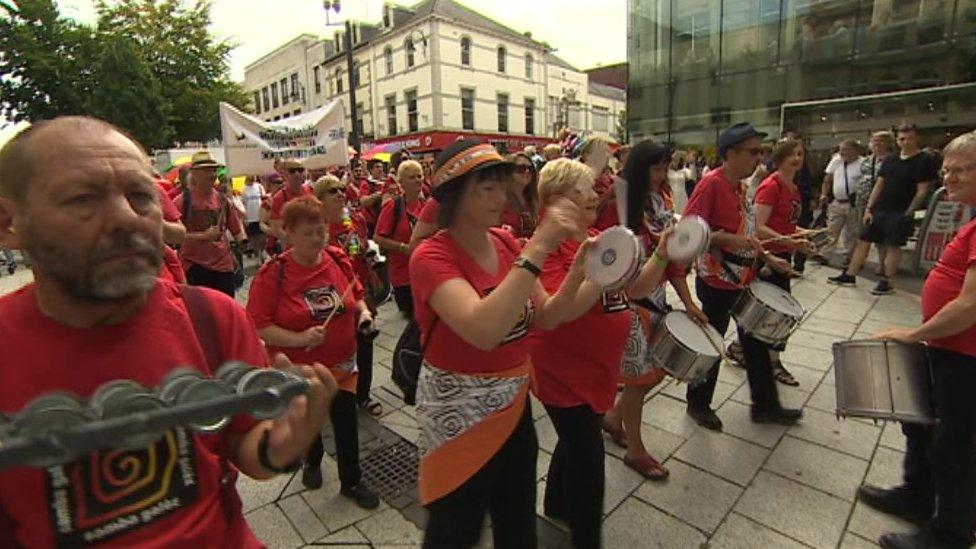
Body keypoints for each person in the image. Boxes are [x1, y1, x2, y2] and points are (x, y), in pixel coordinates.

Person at [0, 116, 338, 547]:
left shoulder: (214, 319)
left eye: (141, 195)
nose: (126, 218)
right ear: (9, 224)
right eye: (83, 198)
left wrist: (286, 442)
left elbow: (245, 447)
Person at [409, 139, 597, 548]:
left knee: (518, 526)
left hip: (513, 406)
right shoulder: (431, 255)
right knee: (455, 529)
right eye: (486, 187)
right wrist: (541, 244)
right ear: (455, 195)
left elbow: (548, 314)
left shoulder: (507, 243)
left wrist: (588, 273)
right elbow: (483, 330)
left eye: (502, 184)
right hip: (458, 414)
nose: (502, 196)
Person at [529, 158, 676, 548]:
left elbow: (637, 287)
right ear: (558, 199)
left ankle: (556, 503)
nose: (597, 193)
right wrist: (600, 272)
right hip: (563, 377)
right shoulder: (544, 249)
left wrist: (662, 252)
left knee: (576, 441)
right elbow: (561, 312)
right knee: (590, 468)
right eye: (586, 189)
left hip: (598, 373)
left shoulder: (597, 234)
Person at [864, 130, 976, 549]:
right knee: (921, 423)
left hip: (966, 355)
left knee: (954, 444)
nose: (948, 177)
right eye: (945, 169)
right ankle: (916, 495)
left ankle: (950, 532)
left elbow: (970, 305)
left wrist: (915, 333)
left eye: (960, 169)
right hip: (948, 347)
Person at [246, 195, 379, 509]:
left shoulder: (335, 257)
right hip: (300, 370)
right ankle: (312, 459)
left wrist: (363, 314)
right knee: (309, 422)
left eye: (320, 230)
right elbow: (257, 324)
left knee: (347, 425)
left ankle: (352, 481)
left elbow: (354, 294)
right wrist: (299, 337)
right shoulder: (273, 274)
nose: (317, 238)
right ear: (288, 233)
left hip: (343, 362)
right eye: (308, 233)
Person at [599, 140, 709, 477]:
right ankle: (635, 449)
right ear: (640, 167)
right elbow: (607, 262)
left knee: (652, 373)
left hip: (655, 297)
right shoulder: (616, 203)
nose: (663, 174)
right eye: (657, 167)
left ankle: (615, 419)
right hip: (623, 301)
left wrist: (688, 301)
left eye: (666, 167)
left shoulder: (661, 200)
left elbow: (671, 258)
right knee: (639, 378)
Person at [682, 122, 802, 430]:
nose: (758, 158)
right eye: (752, 152)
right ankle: (698, 403)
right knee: (713, 340)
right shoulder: (710, 184)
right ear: (730, 153)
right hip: (717, 279)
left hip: (743, 277)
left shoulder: (740, 187)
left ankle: (765, 405)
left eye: (760, 152)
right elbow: (688, 231)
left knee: (756, 340)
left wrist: (769, 256)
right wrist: (725, 240)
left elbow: (748, 233)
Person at [829, 124, 938, 295]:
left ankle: (887, 281)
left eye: (909, 138)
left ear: (917, 138)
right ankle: (850, 274)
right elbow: (879, 185)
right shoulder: (891, 159)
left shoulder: (924, 160)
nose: (906, 142)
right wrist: (869, 208)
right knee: (863, 240)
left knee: (893, 246)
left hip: (901, 210)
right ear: (897, 140)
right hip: (880, 208)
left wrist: (909, 212)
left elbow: (922, 190)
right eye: (902, 138)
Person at [312, 176, 383, 418]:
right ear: (319, 199)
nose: (341, 193)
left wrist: (370, 257)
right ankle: (335, 396)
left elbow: (362, 250)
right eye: (333, 191)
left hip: (360, 292)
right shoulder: (315, 227)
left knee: (365, 342)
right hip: (331, 299)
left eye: (342, 189)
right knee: (336, 349)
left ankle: (362, 395)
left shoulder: (356, 220)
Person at [753, 138, 817, 387]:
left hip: (782, 253)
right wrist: (793, 242)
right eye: (792, 154)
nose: (797, 158)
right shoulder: (771, 186)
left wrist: (803, 234)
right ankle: (773, 361)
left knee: (772, 310)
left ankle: (744, 348)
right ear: (780, 157)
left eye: (800, 153)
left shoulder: (792, 187)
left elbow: (786, 225)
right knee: (780, 310)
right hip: (768, 257)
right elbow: (759, 227)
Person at [174, 151, 245, 297]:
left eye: (214, 170)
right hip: (196, 267)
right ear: (194, 173)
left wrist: (244, 242)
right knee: (203, 313)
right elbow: (173, 237)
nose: (212, 174)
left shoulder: (223, 200)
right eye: (207, 170)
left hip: (223, 267)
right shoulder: (182, 201)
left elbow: (236, 229)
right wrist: (203, 236)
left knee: (225, 311)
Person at [374, 159, 426, 318]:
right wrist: (404, 247)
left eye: (419, 176)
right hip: (403, 276)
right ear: (401, 182)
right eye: (412, 177)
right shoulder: (393, 206)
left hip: (425, 271)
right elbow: (377, 237)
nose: (417, 180)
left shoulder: (427, 205)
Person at [857, 131, 899, 274]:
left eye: (880, 141)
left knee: (880, 237)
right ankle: (859, 261)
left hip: (882, 202)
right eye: (874, 141)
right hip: (863, 200)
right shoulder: (867, 160)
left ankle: (883, 264)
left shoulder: (893, 160)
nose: (876, 144)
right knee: (863, 234)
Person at [819, 139, 864, 265]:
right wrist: (823, 194)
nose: (842, 152)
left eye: (845, 149)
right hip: (837, 201)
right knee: (832, 229)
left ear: (854, 150)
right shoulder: (837, 160)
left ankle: (850, 257)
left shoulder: (863, 163)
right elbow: (827, 179)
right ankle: (825, 254)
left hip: (854, 203)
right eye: (841, 149)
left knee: (852, 232)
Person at [268, 158, 312, 242]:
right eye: (292, 171)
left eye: (300, 170)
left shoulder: (311, 191)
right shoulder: (279, 198)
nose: (297, 174)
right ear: (285, 174)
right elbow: (277, 229)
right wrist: (297, 242)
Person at [501, 153, 540, 240]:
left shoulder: (535, 199)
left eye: (530, 169)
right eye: (521, 168)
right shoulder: (499, 199)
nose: (527, 171)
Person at [360, 159, 392, 236]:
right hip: (370, 222)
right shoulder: (366, 183)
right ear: (371, 170)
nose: (380, 170)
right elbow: (363, 202)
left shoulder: (386, 183)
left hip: (385, 220)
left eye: (381, 167)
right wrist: (378, 195)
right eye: (377, 167)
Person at [243, 175, 267, 262]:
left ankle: (262, 252)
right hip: (250, 217)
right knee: (254, 238)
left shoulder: (259, 187)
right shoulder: (244, 189)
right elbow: (243, 203)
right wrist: (245, 218)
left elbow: (264, 199)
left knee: (262, 236)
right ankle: (257, 255)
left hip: (260, 215)